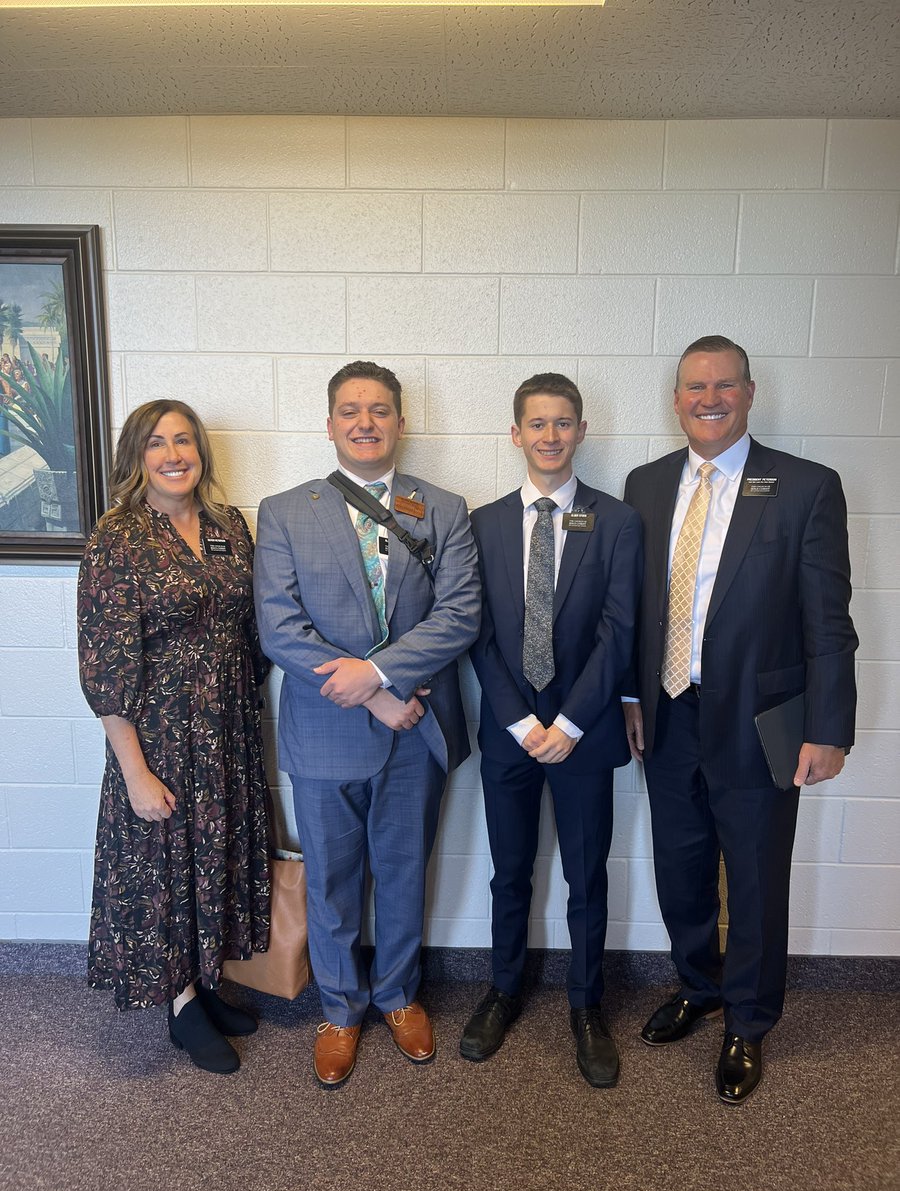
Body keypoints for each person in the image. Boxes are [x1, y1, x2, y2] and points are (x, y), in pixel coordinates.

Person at [623, 335, 857, 1104]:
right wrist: (631, 697)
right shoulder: (646, 484)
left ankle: (748, 1023)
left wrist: (830, 727)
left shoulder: (805, 486)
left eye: (725, 385)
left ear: (750, 394)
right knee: (680, 867)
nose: (709, 399)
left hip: (761, 723)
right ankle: (700, 985)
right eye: (694, 387)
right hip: (668, 712)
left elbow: (829, 620)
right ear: (677, 399)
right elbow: (634, 611)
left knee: (755, 878)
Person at [254, 360, 480, 1087]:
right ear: (329, 424)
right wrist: (373, 692)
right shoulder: (286, 509)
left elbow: (459, 616)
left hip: (419, 731)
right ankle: (340, 1009)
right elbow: (279, 629)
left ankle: (399, 996)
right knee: (332, 882)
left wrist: (382, 674)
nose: (365, 422)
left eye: (380, 409)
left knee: (406, 872)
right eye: (350, 410)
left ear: (401, 422)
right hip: (325, 733)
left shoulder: (442, 507)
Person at [77, 399, 271, 1074]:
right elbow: (102, 663)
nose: (173, 454)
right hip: (159, 736)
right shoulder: (118, 538)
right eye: (157, 443)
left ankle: (207, 981)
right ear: (137, 458)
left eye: (184, 440)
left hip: (230, 731)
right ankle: (181, 1003)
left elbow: (256, 631)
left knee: (213, 859)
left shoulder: (227, 526)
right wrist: (133, 770)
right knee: (166, 865)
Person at [460, 373, 642, 1088]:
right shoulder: (483, 523)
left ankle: (587, 1004)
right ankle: (505, 988)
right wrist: (519, 720)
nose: (550, 436)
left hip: (584, 735)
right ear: (515, 434)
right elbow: (478, 634)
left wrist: (568, 722)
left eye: (563, 423)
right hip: (509, 734)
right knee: (509, 870)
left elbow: (619, 630)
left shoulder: (618, 522)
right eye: (536, 424)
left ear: (581, 432)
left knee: (585, 876)